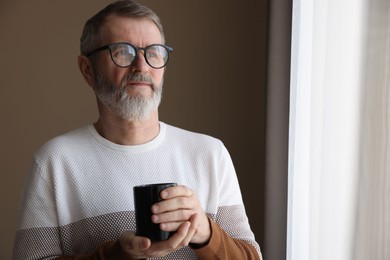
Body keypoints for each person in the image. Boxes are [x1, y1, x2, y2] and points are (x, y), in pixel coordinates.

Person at [12, 0, 262, 259]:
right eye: (123, 52)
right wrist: (114, 256)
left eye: (153, 52)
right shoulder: (54, 161)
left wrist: (206, 233)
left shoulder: (210, 154)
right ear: (88, 70)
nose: (141, 67)